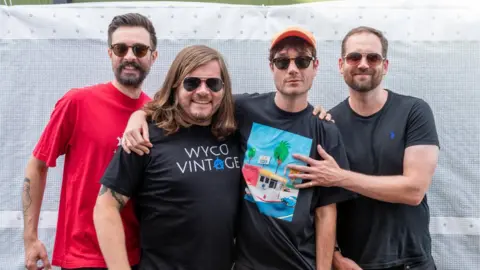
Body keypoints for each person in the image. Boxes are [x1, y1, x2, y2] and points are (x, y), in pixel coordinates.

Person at [120, 27, 355, 270]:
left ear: (315, 67)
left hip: (299, 263)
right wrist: (138, 115)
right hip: (246, 264)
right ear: (271, 67)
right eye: (283, 61)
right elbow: (187, 101)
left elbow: (326, 213)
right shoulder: (243, 109)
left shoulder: (325, 130)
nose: (293, 69)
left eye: (303, 61)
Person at [290, 26, 440, 270]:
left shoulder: (414, 112)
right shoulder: (328, 125)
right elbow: (323, 206)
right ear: (341, 65)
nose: (362, 64)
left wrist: (340, 177)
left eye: (373, 57)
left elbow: (414, 190)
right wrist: (336, 257)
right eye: (354, 57)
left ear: (385, 65)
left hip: (412, 262)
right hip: (354, 264)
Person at [22, 13, 158, 270]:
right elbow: (37, 167)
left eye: (139, 49)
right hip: (82, 257)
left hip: (135, 257)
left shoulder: (155, 114)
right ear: (110, 54)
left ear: (153, 56)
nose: (130, 56)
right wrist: (30, 238)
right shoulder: (77, 103)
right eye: (121, 48)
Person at [93, 44, 242, 270]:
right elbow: (105, 206)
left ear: (224, 89)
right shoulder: (144, 137)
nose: (203, 91)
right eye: (191, 83)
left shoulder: (235, 134)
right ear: (175, 85)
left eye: (213, 83)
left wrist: (316, 119)